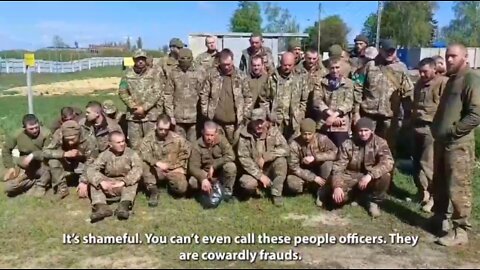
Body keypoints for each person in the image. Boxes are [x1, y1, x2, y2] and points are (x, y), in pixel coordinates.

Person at [431, 43, 480, 246]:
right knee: (440, 184)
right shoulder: (452, 79)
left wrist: (453, 131)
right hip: (442, 143)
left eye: (453, 56)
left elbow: (476, 114)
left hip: (458, 145)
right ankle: (439, 218)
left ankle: (460, 231)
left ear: (465, 57)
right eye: (447, 55)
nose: (449, 59)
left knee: (458, 188)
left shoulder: (471, 79)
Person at [330, 117, 394, 217]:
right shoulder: (347, 144)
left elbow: (388, 162)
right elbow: (338, 167)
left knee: (385, 176)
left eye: (366, 130)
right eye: (360, 131)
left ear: (371, 131)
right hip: (351, 176)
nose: (363, 134)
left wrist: (370, 175)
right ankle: (357, 196)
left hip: (370, 177)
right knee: (337, 200)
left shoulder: (380, 143)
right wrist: (337, 186)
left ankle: (374, 202)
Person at [411, 57, 448, 212]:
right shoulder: (419, 83)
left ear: (434, 69)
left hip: (431, 128)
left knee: (429, 165)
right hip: (416, 126)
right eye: (420, 71)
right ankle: (423, 193)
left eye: (425, 71)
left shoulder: (443, 83)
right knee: (417, 164)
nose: (422, 74)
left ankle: (434, 198)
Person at [86, 131, 143, 222]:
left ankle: (123, 207)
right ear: (110, 144)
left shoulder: (131, 153)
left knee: (133, 181)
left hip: (123, 184)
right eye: (118, 142)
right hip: (109, 183)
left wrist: (124, 182)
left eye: (123, 141)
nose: (121, 144)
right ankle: (101, 207)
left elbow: (138, 169)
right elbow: (91, 169)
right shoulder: (104, 155)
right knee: (94, 182)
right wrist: (101, 182)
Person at [118, 49, 169, 150]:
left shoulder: (154, 73)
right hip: (133, 116)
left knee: (152, 145)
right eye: (138, 59)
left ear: (146, 60)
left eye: (142, 59)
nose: (140, 61)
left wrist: (144, 108)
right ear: (134, 60)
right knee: (135, 146)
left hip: (150, 116)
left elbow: (157, 92)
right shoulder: (127, 74)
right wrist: (133, 106)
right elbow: (122, 92)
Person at [200, 49, 253, 146]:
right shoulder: (212, 74)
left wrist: (245, 115)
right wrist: (205, 112)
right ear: (219, 62)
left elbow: (248, 97)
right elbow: (204, 94)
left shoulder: (241, 76)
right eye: (224, 64)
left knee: (235, 149)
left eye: (229, 64)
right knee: (217, 149)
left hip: (235, 124)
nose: (226, 67)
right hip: (216, 122)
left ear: (232, 61)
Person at [238, 108, 289, 206]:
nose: (259, 125)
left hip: (269, 168)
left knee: (281, 162)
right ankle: (256, 191)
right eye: (256, 122)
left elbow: (286, 149)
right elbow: (243, 158)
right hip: (253, 171)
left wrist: (267, 156)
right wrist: (260, 176)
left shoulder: (273, 131)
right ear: (251, 122)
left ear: (266, 121)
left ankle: (276, 193)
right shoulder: (244, 135)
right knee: (246, 184)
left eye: (261, 122)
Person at [140, 114, 191, 207]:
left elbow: (186, 154)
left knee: (182, 188)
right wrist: (156, 163)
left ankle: (170, 186)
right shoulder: (149, 138)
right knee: (144, 165)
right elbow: (143, 153)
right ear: (156, 126)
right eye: (160, 129)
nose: (163, 132)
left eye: (166, 129)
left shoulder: (178, 139)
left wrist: (179, 168)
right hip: (156, 170)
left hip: (172, 170)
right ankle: (153, 191)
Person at [42, 120, 99, 200]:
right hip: (66, 161)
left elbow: (92, 162)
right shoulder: (59, 134)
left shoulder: (89, 139)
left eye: (73, 139)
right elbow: (45, 152)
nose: (70, 142)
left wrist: (84, 181)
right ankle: (62, 189)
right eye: (67, 139)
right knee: (53, 161)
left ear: (79, 134)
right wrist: (64, 154)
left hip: (83, 163)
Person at [286, 118, 337, 206]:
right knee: (292, 183)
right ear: (300, 132)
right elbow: (293, 167)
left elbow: (335, 153)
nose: (307, 137)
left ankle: (323, 190)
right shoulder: (294, 144)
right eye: (304, 134)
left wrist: (316, 157)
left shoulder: (322, 139)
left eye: (310, 134)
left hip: (320, 170)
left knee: (328, 164)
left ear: (314, 132)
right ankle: (311, 187)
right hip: (303, 174)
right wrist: (313, 177)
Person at [259, 52, 309, 140]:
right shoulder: (271, 77)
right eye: (285, 65)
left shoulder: (300, 77)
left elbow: (304, 100)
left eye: (290, 65)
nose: (287, 67)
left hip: (294, 121)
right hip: (276, 121)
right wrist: (268, 115)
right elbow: (263, 99)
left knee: (293, 147)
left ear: (294, 64)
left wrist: (300, 114)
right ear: (280, 63)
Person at [2, 114, 51, 197]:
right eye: (31, 129)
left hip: (43, 163)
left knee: (50, 166)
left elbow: (49, 153)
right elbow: (6, 150)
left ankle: (41, 184)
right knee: (9, 187)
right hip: (26, 166)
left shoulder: (46, 133)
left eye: (37, 127)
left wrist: (33, 155)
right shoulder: (17, 134)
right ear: (24, 128)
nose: (35, 130)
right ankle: (33, 181)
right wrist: (10, 166)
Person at [188, 121, 236, 201]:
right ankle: (204, 193)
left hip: (220, 173)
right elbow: (193, 167)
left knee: (231, 167)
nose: (209, 138)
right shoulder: (197, 145)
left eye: (212, 135)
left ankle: (227, 194)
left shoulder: (222, 140)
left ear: (216, 134)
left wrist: (214, 165)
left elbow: (231, 156)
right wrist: (203, 178)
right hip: (206, 174)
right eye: (207, 135)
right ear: (203, 132)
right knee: (192, 182)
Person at [164, 48, 205, 143]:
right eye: (182, 58)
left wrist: (203, 115)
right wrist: (171, 116)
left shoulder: (200, 72)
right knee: (179, 145)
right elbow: (168, 95)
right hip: (178, 118)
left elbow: (204, 93)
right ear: (178, 59)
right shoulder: (173, 73)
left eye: (188, 58)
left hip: (195, 117)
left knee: (193, 145)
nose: (185, 61)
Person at [313, 56, 355, 147]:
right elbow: (317, 100)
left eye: (337, 67)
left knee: (343, 150)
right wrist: (330, 114)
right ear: (328, 68)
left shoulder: (348, 83)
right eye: (332, 68)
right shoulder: (321, 82)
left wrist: (335, 116)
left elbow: (349, 103)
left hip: (341, 124)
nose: (335, 70)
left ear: (341, 68)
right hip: (324, 123)